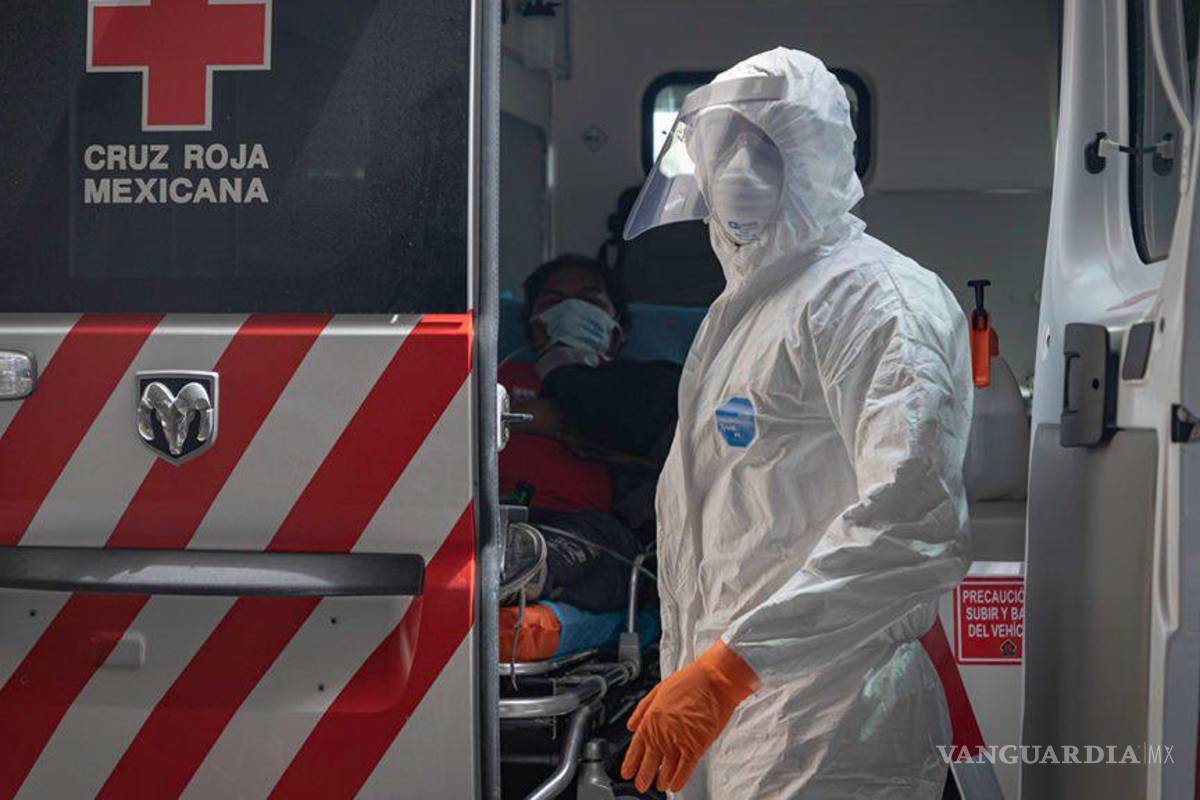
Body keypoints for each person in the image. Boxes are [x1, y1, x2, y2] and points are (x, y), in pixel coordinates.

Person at [618, 48, 974, 798]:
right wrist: (713, 674)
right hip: (750, 715)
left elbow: (909, 523)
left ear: (821, 158)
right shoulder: (750, 306)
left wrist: (727, 669)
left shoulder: (876, 301)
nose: (741, 170)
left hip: (834, 727)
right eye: (726, 146)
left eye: (769, 145)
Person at [498, 254, 680, 656]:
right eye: (553, 302)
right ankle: (505, 563)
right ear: (532, 328)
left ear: (620, 330)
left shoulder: (645, 389)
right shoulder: (495, 379)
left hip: (587, 528)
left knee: (591, 549)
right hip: (492, 516)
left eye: (590, 300)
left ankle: (519, 567)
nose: (571, 309)